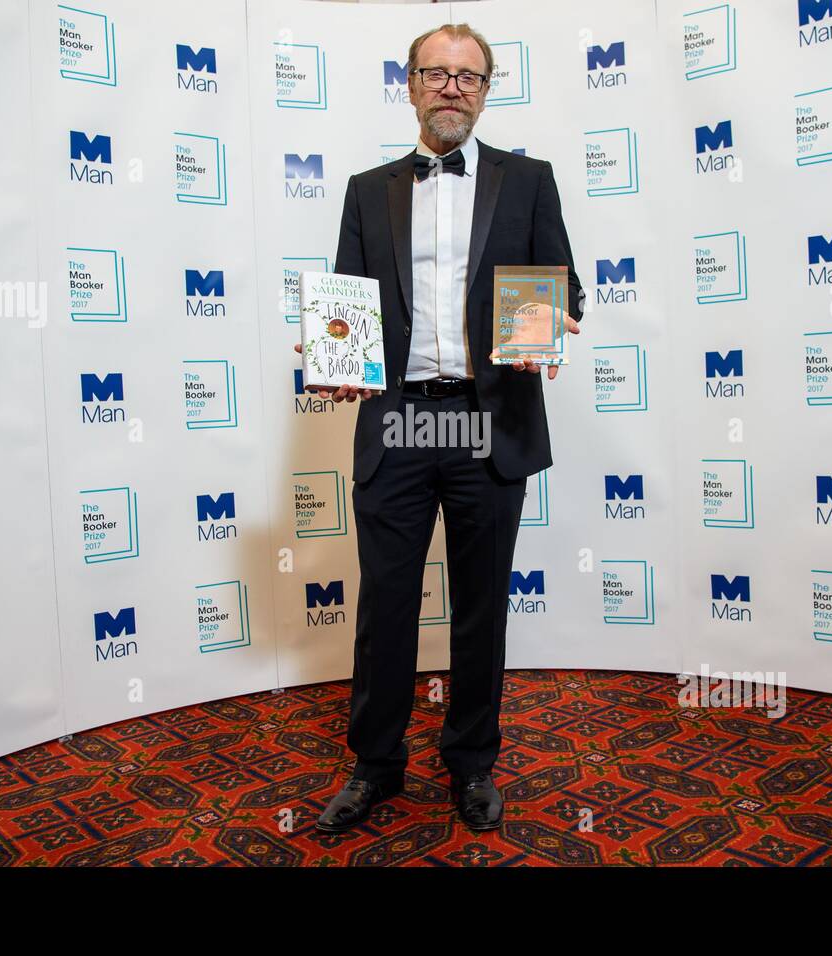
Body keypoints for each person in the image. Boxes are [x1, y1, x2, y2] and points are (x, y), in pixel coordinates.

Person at [295, 22, 584, 832]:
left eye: (469, 76)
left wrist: (550, 325)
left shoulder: (531, 180)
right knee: (386, 602)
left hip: (489, 421)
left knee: (481, 605)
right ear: (412, 85)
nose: (452, 87)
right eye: (436, 72)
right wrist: (331, 349)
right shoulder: (367, 187)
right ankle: (375, 766)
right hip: (398, 423)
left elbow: (566, 285)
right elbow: (350, 301)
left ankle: (472, 765)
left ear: (487, 90)